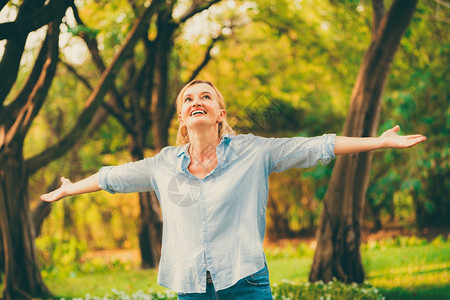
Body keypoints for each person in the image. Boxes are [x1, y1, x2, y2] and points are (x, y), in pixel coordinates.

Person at [41, 79, 426, 299]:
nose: (197, 101)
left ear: (220, 113)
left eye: (206, 96)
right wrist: (71, 188)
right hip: (191, 287)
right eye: (189, 99)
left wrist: (378, 142)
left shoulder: (254, 152)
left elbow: (316, 146)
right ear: (182, 117)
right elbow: (112, 177)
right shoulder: (162, 165)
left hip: (246, 282)